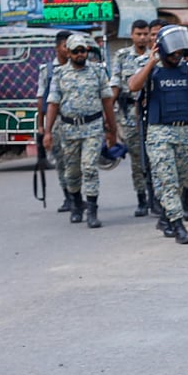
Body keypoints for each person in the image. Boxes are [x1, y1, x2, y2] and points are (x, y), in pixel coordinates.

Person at [128, 27, 188, 244]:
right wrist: (150, 63)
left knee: (184, 179)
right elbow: (133, 86)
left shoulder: (186, 68)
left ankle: (166, 216)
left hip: (185, 130)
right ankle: (178, 225)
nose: (176, 56)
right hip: (159, 133)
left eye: (179, 53)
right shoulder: (150, 66)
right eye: (173, 53)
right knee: (167, 180)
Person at [42, 33, 118, 228]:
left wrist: (112, 129)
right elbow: (52, 104)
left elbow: (107, 101)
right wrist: (47, 131)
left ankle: (92, 210)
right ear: (68, 52)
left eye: (82, 50)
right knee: (72, 172)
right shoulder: (59, 74)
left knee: (90, 168)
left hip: (92, 127)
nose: (79, 54)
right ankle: (76, 204)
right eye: (75, 51)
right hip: (68, 129)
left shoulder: (97, 72)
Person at [110, 19, 152, 216]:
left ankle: (157, 196)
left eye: (145, 34)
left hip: (153, 112)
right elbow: (115, 85)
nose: (142, 38)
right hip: (130, 114)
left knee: (156, 156)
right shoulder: (121, 55)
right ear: (132, 35)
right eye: (139, 34)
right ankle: (141, 198)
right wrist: (108, 115)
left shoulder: (156, 55)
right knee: (137, 158)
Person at [36, 30, 72, 211]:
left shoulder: (80, 67)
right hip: (56, 122)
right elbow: (41, 99)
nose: (69, 49)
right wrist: (41, 127)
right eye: (66, 46)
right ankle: (68, 196)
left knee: (77, 161)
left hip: (75, 121)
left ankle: (78, 195)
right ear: (57, 48)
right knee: (61, 161)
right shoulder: (47, 71)